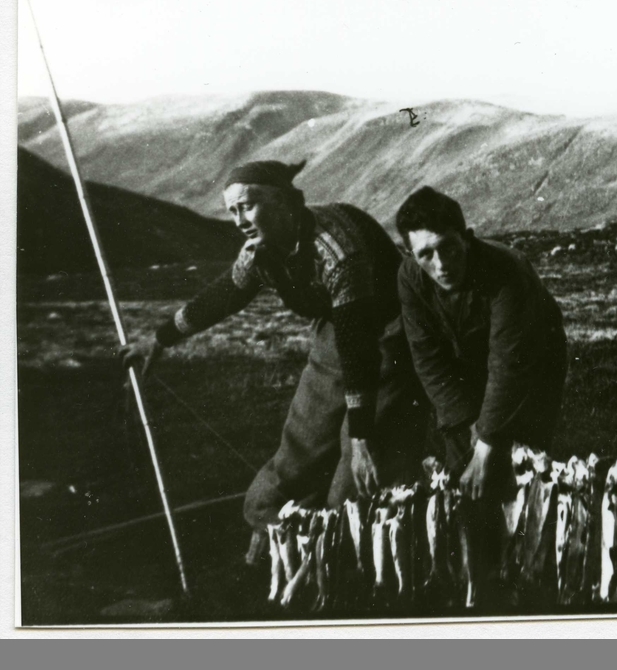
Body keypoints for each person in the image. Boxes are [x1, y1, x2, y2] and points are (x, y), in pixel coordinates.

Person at [121, 160, 425, 563]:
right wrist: (162, 338)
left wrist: (361, 435)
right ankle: (286, 538)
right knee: (297, 454)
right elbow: (226, 293)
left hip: (389, 332)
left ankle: (344, 562)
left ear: (284, 203)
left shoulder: (336, 245)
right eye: (232, 211)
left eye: (247, 206)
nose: (239, 220)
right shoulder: (261, 249)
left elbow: (358, 346)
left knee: (355, 476)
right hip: (337, 331)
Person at [394, 186, 567, 602]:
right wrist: (471, 437)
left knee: (522, 464)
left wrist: (489, 444)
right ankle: (482, 580)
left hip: (532, 361)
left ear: (466, 237)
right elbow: (428, 361)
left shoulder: (506, 269)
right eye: (425, 255)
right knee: (467, 474)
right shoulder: (410, 280)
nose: (441, 264)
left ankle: (535, 571)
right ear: (410, 256)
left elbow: (510, 364)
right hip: (466, 370)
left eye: (449, 248)